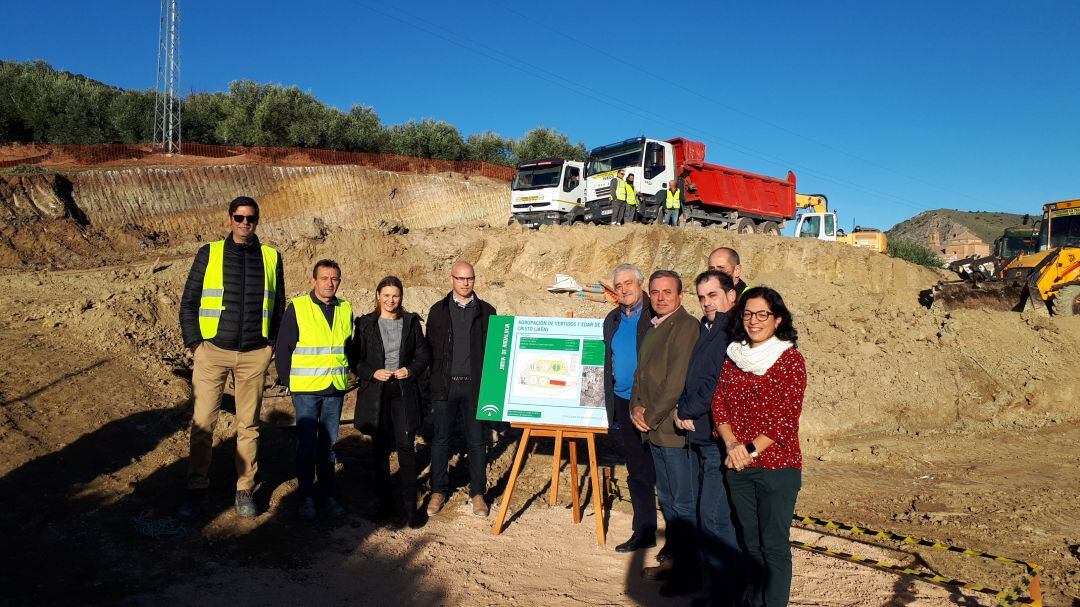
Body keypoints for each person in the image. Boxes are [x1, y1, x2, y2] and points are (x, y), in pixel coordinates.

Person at [177, 196, 285, 520]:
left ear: (257, 220)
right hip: (212, 352)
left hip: (254, 355)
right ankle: (197, 487)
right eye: (239, 218)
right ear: (230, 219)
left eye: (250, 218)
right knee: (202, 424)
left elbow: (278, 306)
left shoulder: (271, 257)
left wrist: (271, 348)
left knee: (248, 425)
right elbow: (189, 302)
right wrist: (195, 344)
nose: (244, 223)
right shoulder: (209, 253)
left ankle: (244, 488)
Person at [712, 286, 807, 607]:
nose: (754, 321)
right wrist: (732, 444)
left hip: (777, 468)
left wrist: (747, 450)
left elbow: (785, 417)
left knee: (774, 547)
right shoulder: (733, 356)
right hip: (739, 466)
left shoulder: (790, 360)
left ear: (777, 319)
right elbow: (719, 405)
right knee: (751, 545)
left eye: (763, 314)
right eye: (749, 313)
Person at [630, 270, 700, 597]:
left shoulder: (685, 327)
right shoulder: (655, 324)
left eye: (666, 292)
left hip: (669, 432)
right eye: (655, 292)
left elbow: (675, 383)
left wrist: (650, 415)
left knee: (682, 503)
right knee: (669, 500)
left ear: (680, 295)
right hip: (654, 430)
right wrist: (635, 408)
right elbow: (640, 374)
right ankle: (674, 561)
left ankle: (687, 573)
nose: (660, 297)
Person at [673, 271, 741, 605]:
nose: (707, 303)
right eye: (701, 297)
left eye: (712, 295)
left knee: (715, 516)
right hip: (700, 435)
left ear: (731, 295)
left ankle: (728, 594)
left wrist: (684, 410)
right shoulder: (708, 327)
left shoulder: (730, 331)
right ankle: (715, 589)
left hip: (714, 435)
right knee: (707, 515)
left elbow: (714, 383)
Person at [274, 259, 352, 521]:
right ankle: (306, 496)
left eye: (335, 279)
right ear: (313, 281)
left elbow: (347, 347)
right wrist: (288, 382)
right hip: (306, 390)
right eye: (325, 278)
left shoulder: (345, 308)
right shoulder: (298, 307)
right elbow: (283, 348)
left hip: (334, 388)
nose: (330, 283)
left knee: (328, 445)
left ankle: (327, 495)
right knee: (307, 445)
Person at [354, 276, 432, 529]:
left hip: (403, 392)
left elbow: (423, 353)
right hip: (377, 393)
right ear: (378, 295)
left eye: (395, 296)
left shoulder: (410, 323)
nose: (390, 300)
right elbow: (355, 358)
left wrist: (410, 370)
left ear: (401, 297)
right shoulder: (365, 324)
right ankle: (384, 505)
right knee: (379, 450)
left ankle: (410, 507)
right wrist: (371, 372)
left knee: (406, 447)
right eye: (386, 295)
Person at [425, 261, 496, 518]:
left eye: (470, 279)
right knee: (441, 441)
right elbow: (429, 350)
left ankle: (478, 493)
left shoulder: (488, 312)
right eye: (460, 278)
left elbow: (496, 352)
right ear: (451, 279)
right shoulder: (438, 311)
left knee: (477, 442)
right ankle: (438, 490)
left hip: (475, 387)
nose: (465, 283)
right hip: (446, 386)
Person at [603, 263, 658, 553]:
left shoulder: (655, 315)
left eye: (629, 283)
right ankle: (644, 531)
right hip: (624, 402)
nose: (624, 289)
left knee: (666, 472)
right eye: (619, 286)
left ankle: (679, 539)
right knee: (637, 471)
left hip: (653, 403)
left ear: (641, 283)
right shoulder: (612, 318)